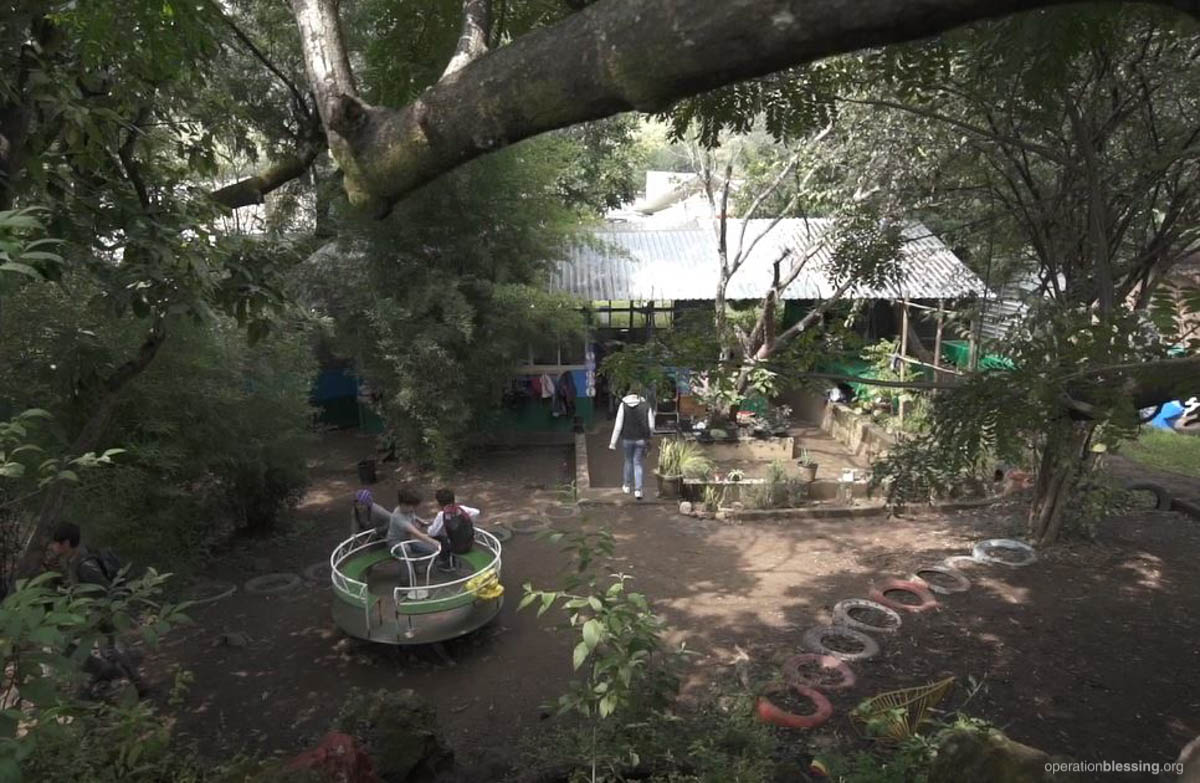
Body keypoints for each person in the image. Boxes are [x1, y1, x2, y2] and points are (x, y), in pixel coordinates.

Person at [49, 522, 149, 698]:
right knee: (108, 650)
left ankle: (133, 682)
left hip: (102, 613)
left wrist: (103, 614)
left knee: (110, 649)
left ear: (65, 543)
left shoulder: (84, 563)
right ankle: (119, 678)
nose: (52, 546)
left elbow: (103, 590)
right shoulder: (75, 559)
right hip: (97, 613)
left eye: (55, 543)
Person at [608, 388, 655, 499]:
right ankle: (638, 490)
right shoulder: (646, 405)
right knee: (638, 463)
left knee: (628, 461)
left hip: (627, 438)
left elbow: (618, 426)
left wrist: (612, 442)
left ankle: (627, 486)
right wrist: (650, 435)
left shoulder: (623, 405)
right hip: (641, 439)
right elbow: (652, 425)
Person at [428, 488, 481, 571]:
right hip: (469, 543)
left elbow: (432, 533)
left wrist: (429, 527)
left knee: (437, 537)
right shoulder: (462, 509)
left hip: (456, 548)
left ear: (439, 503)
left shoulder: (442, 515)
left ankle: (446, 562)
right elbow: (476, 512)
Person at [386, 486, 442, 557]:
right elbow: (416, 533)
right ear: (403, 504)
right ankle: (407, 567)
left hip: (407, 540)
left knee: (432, 549)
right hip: (396, 543)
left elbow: (415, 517)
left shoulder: (408, 510)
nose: (414, 509)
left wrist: (424, 522)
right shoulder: (398, 518)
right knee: (406, 550)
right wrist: (433, 541)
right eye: (412, 506)